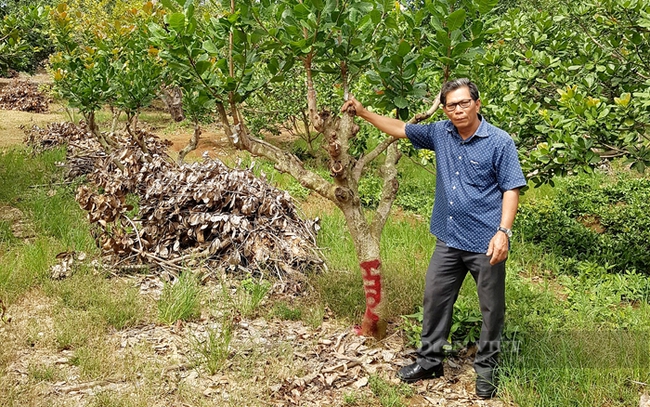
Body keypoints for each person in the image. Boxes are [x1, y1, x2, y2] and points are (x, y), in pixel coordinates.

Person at [340, 78, 527, 399]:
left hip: (486, 241)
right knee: (435, 299)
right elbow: (400, 128)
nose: (458, 110)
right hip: (448, 237)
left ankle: (487, 368)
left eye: (464, 103)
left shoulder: (499, 142)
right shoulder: (441, 133)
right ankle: (430, 361)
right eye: (451, 105)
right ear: (444, 109)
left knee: (491, 309)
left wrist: (503, 232)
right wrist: (363, 112)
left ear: (477, 104)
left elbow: (511, 188)